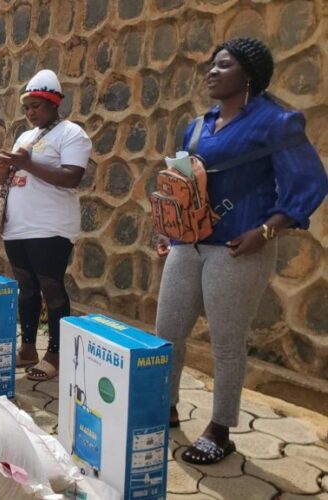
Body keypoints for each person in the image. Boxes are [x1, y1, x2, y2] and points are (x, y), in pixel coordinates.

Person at [154, 38, 327, 465]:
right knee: (167, 332)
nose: (212, 72)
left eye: (223, 65)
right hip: (187, 244)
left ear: (248, 73)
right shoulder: (196, 125)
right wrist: (168, 227)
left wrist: (266, 232)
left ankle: (220, 428)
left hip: (237, 249)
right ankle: (166, 407)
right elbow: (180, 180)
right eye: (211, 65)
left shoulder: (276, 122)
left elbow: (309, 181)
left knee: (226, 344)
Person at [0, 70, 92, 381]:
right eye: (27, 107)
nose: (30, 112)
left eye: (36, 106)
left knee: (51, 287)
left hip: (50, 228)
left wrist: (24, 164)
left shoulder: (72, 134)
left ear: (53, 104)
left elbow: (72, 177)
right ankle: (28, 347)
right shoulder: (26, 136)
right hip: (18, 226)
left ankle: (57, 353)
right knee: (27, 289)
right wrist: (5, 168)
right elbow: (13, 177)